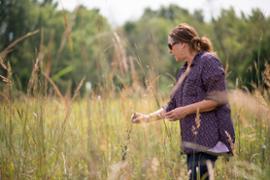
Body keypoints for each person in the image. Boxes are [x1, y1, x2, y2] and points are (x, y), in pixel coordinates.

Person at [131, 23, 235, 180]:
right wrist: (147, 118)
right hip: (192, 144)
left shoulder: (208, 61)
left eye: (170, 45)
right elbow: (172, 106)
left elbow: (217, 99)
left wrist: (185, 110)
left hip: (209, 142)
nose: (169, 50)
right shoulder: (183, 71)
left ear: (183, 44)